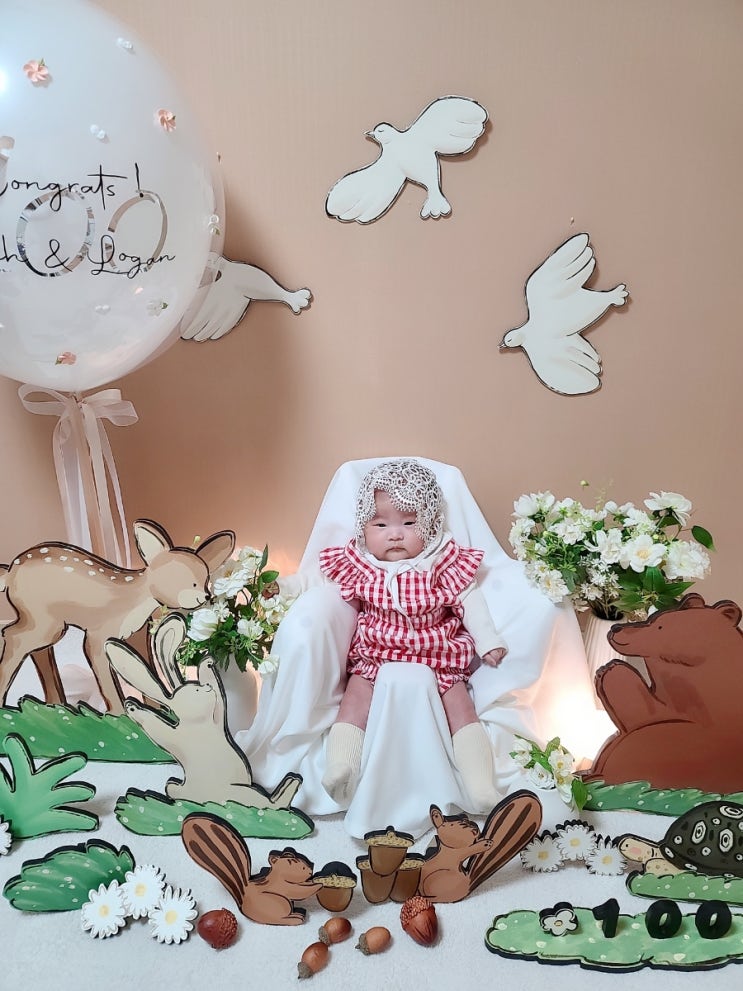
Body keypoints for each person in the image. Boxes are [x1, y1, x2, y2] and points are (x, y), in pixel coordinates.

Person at [317, 458, 507, 808]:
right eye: (381, 524)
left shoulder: (440, 559)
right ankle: (341, 766)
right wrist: (284, 589)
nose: (395, 534)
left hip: (436, 651)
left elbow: (469, 600)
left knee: (460, 707)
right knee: (354, 699)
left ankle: (480, 785)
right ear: (363, 527)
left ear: (431, 523)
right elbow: (317, 585)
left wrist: (488, 641)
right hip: (377, 651)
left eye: (409, 523)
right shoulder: (362, 562)